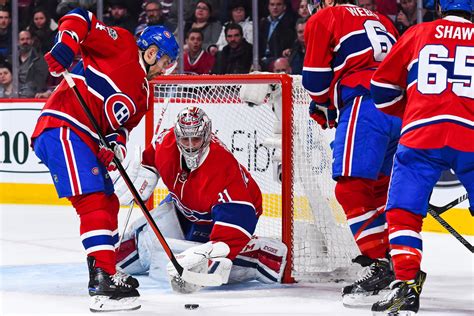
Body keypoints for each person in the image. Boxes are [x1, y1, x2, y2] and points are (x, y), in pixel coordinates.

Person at [30, 7, 179, 312]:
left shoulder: (144, 94)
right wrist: (67, 45)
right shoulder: (122, 43)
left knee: (109, 202)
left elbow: (120, 128)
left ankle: (105, 268)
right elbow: (80, 18)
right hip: (62, 126)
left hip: (84, 138)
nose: (165, 70)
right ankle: (103, 279)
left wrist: (114, 148)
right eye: (164, 62)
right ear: (151, 53)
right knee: (94, 201)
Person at [114, 106, 288, 293]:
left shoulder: (222, 170)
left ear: (206, 136)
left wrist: (213, 252)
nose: (189, 145)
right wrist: (147, 170)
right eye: (184, 139)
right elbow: (151, 155)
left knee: (204, 261)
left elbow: (239, 220)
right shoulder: (166, 142)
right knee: (145, 244)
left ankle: (256, 257)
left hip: (220, 218)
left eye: (195, 139)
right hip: (184, 207)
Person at [370, 1, 473, 314]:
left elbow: (381, 87)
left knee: (403, 211)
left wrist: (411, 114)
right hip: (470, 134)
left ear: (439, 7)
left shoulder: (418, 33)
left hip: (421, 136)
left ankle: (407, 285)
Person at [302, 0, 401, 306]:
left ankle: (379, 264)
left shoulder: (326, 17)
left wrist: (325, 103)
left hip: (365, 104)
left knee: (351, 187)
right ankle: (397, 262)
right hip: (400, 108)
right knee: (381, 192)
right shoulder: (384, 20)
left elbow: (315, 80)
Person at [259, 0, 296, 71]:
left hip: (280, 59)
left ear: (284, 7)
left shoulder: (291, 22)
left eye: (278, 4)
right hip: (263, 60)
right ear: (268, 7)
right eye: (272, 5)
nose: (275, 7)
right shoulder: (264, 22)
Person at [18, 30, 49, 98]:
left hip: (32, 94)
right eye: (22, 39)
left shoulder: (40, 60)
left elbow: (40, 82)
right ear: (18, 42)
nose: (25, 42)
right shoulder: (11, 59)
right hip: (14, 92)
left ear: (32, 41)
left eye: (27, 39)